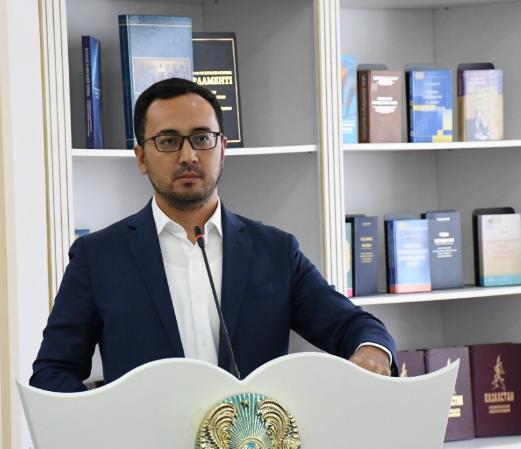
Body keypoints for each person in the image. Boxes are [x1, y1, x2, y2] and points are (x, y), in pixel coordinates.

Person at [30, 78, 397, 392]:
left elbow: (354, 326)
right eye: (168, 141)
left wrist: (372, 352)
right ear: (141, 157)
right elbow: (53, 372)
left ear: (223, 149)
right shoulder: (98, 258)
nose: (188, 155)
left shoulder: (276, 251)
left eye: (202, 138)